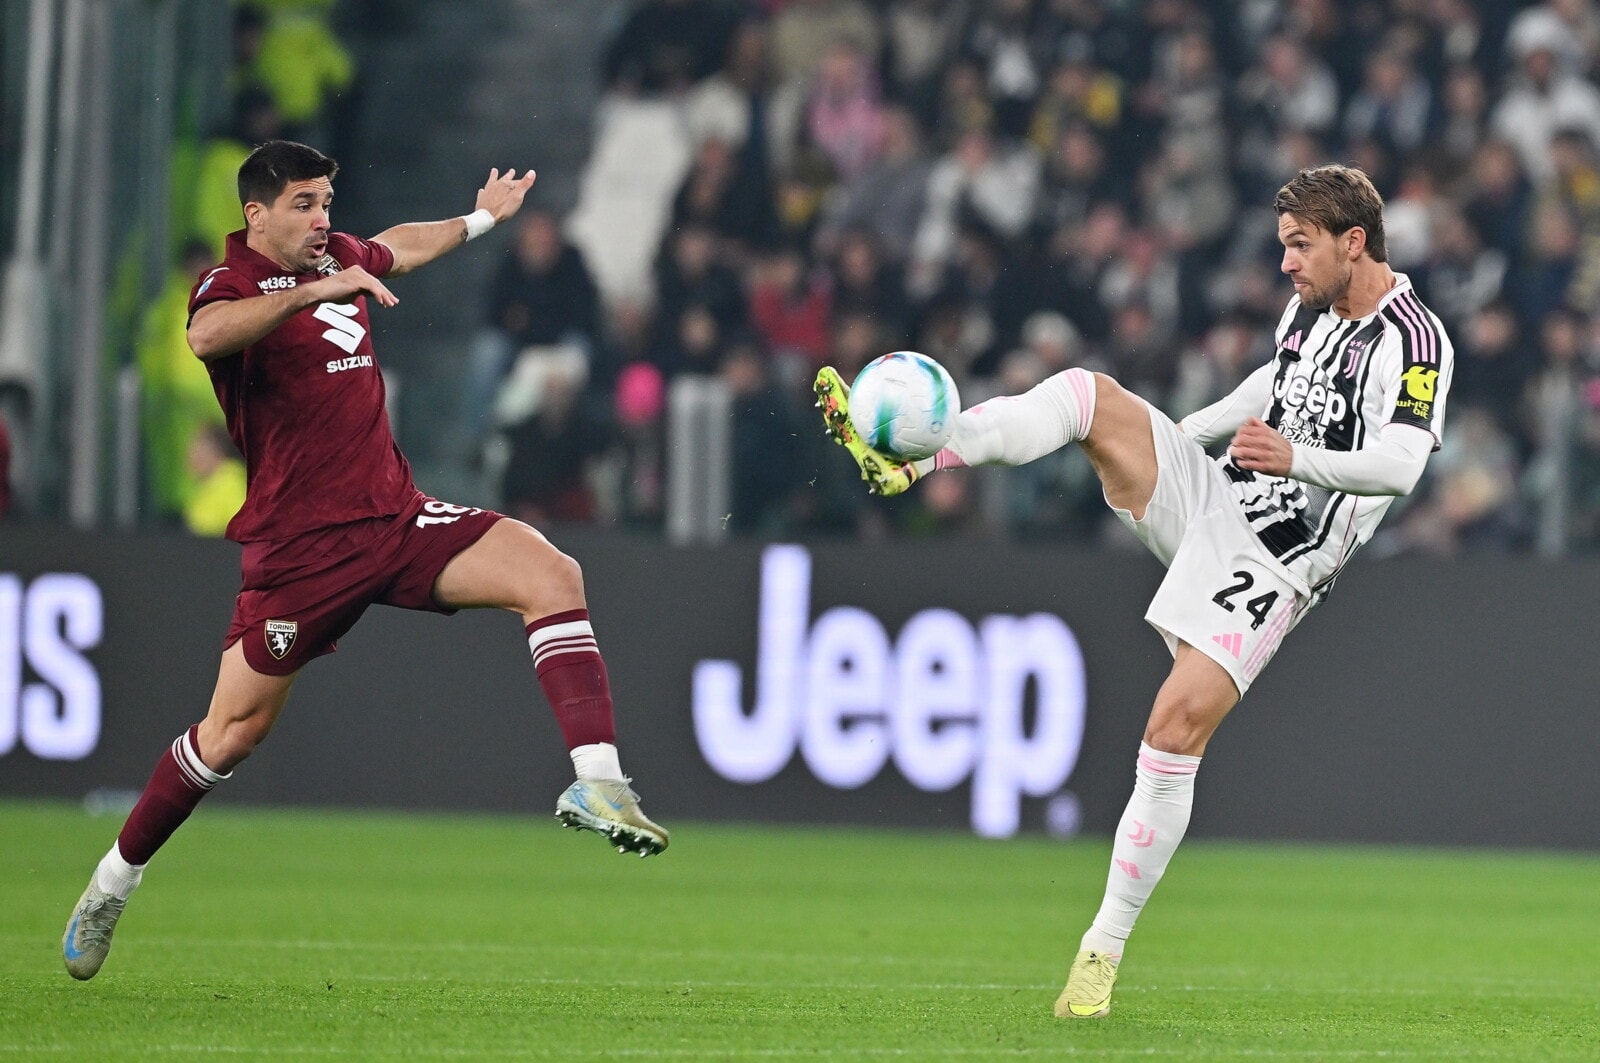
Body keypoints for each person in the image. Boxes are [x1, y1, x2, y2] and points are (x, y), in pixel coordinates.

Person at [814, 165, 1452, 1018]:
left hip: (1281, 559)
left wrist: (1295, 458)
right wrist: (1186, 435)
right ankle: (924, 456)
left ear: (1354, 242)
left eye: (1300, 246)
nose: (1286, 264)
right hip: (1222, 494)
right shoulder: (1310, 307)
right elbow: (1276, 384)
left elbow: (1403, 466)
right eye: (1283, 247)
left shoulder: (1416, 340)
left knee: (1172, 727)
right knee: (1088, 396)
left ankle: (1100, 955)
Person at [62, 140, 669, 983]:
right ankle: (112, 883)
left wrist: (480, 218)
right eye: (304, 204)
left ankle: (598, 781)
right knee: (230, 736)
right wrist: (314, 292)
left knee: (552, 574)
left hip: (396, 519)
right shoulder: (228, 284)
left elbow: (398, 246)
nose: (322, 219)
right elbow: (205, 336)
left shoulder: (337, 256)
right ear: (256, 214)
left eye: (326, 202)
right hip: (301, 555)